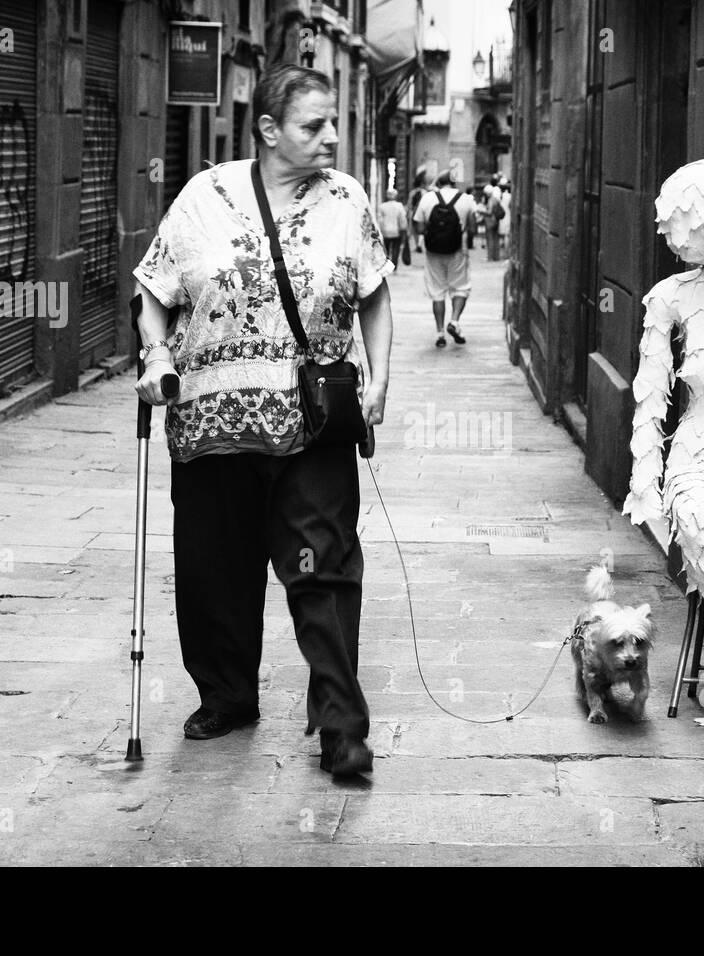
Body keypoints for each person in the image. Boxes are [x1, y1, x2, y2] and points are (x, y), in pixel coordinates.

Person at [131, 64, 394, 777]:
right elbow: (154, 289)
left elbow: (374, 295)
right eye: (315, 125)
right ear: (271, 130)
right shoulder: (202, 198)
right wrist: (156, 353)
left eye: (333, 121)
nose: (332, 136)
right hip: (211, 423)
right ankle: (227, 695)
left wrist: (381, 379)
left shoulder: (346, 200)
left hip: (314, 420)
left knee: (325, 567)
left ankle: (341, 725)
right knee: (216, 568)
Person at [414, 170, 478, 348]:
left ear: (439, 183)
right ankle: (455, 321)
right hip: (458, 251)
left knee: (437, 291)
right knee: (461, 288)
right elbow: (473, 229)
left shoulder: (427, 198)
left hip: (433, 252)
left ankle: (440, 332)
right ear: (454, 183)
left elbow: (419, 227)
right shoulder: (467, 199)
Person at [378, 187, 408, 268]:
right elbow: (402, 218)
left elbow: (380, 220)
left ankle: (386, 263)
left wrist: (380, 230)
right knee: (396, 248)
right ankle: (394, 264)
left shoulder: (382, 206)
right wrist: (403, 228)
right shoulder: (399, 206)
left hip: (385, 231)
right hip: (396, 230)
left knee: (386, 248)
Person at [483, 178, 505, 261]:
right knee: (496, 238)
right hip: (496, 220)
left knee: (490, 238)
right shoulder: (496, 199)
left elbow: (489, 212)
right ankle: (496, 256)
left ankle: (490, 257)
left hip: (490, 221)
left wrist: (481, 211)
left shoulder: (491, 200)